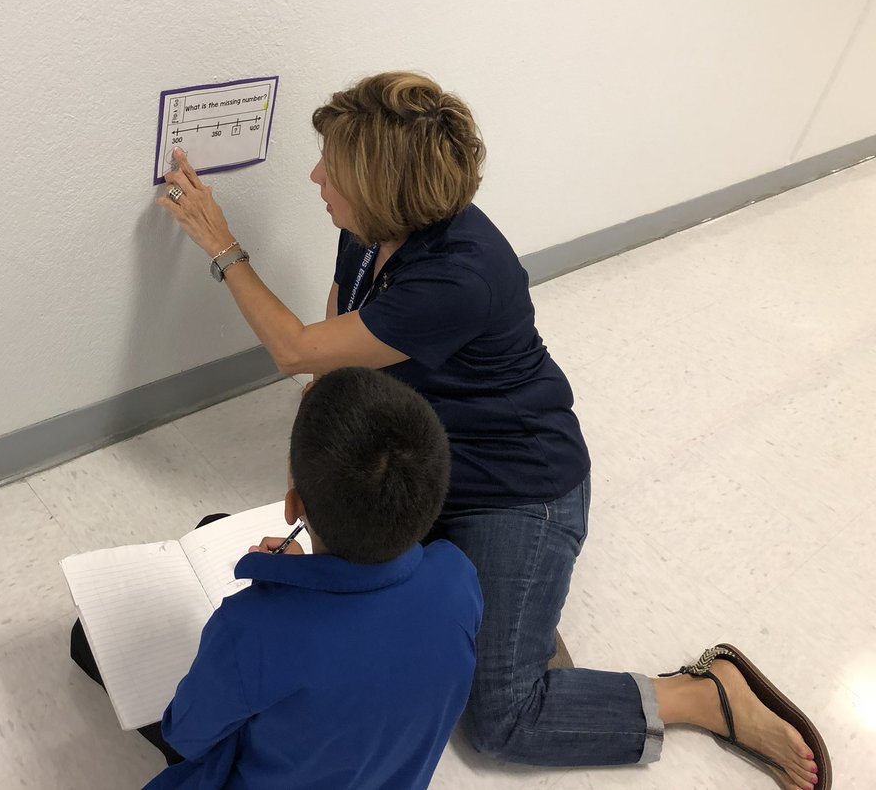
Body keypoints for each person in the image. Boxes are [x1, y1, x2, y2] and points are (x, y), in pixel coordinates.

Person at [156, 72, 828, 790]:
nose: (316, 176)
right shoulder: (368, 232)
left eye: (335, 169)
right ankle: (513, 627)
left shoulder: (458, 277)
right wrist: (316, 451)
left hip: (517, 486)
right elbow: (331, 345)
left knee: (503, 720)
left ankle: (706, 694)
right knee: (369, 586)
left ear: (382, 189)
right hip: (425, 461)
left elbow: (295, 348)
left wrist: (221, 243)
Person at [74, 366, 483, 788]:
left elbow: (185, 733)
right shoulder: (458, 576)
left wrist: (275, 600)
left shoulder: (249, 628)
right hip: (384, 771)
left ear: (293, 506)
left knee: (83, 639)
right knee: (213, 522)